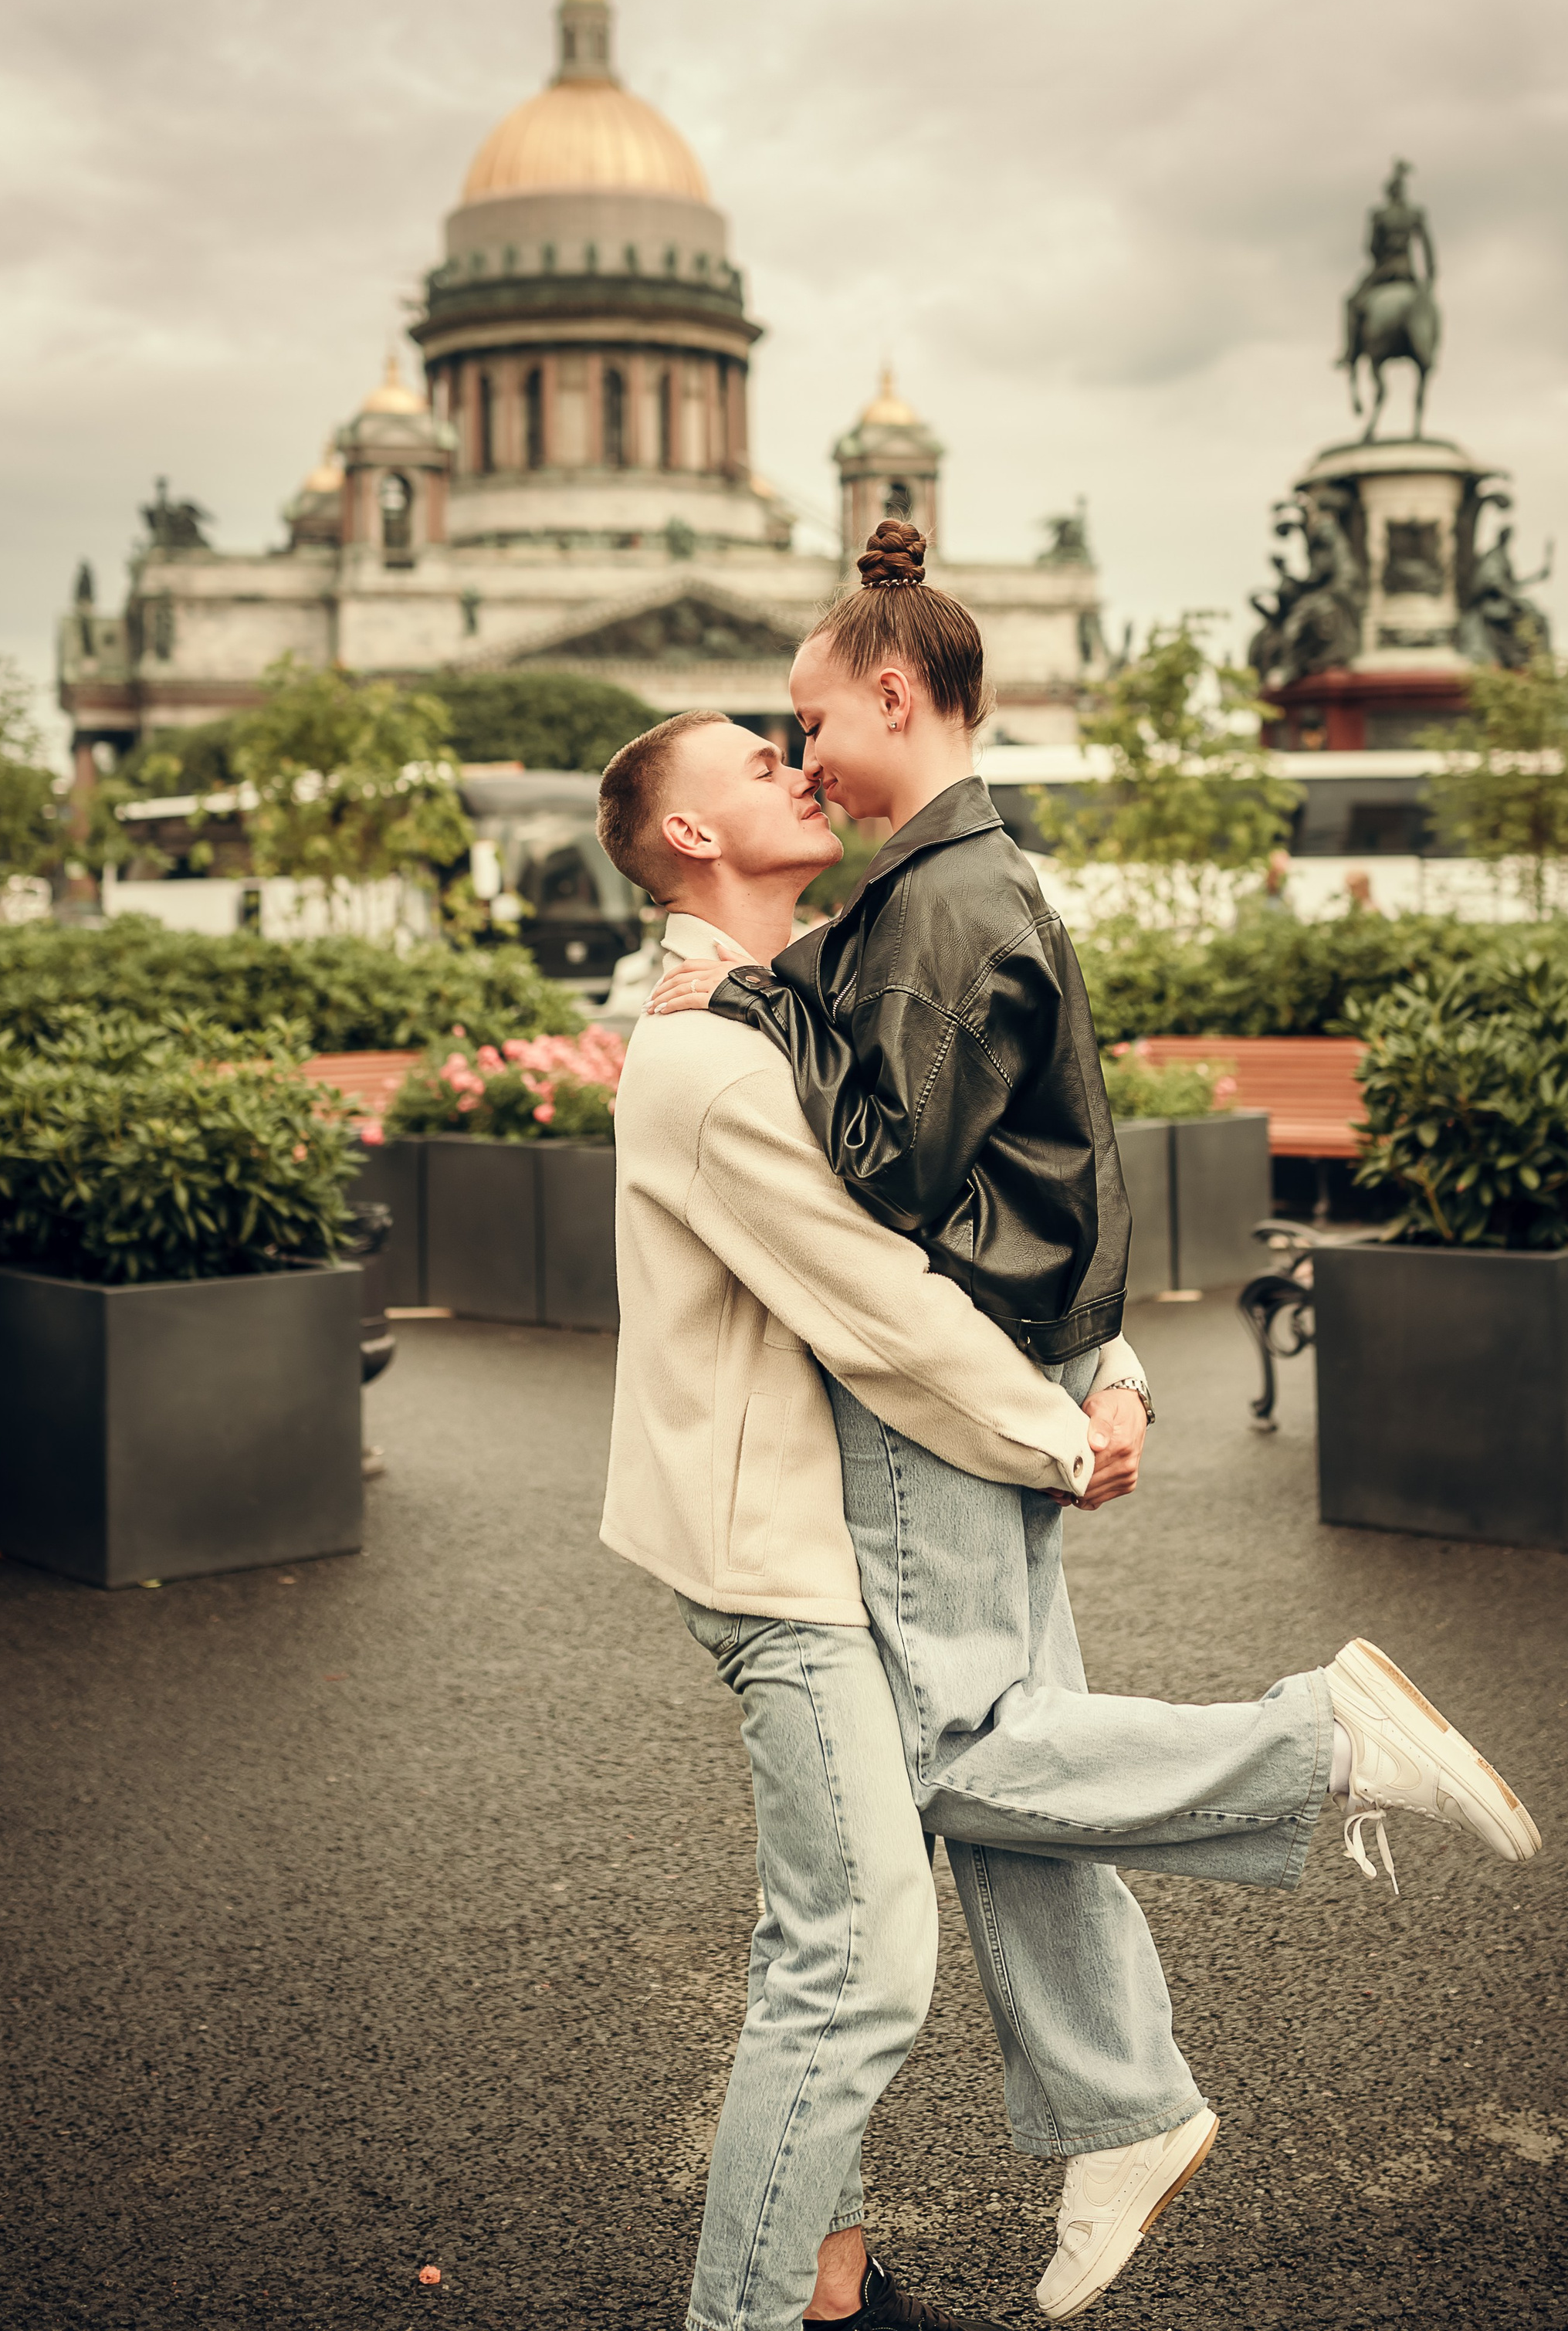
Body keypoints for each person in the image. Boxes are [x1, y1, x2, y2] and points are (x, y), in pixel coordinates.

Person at [641, 526, 1542, 2321]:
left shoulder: (927, 908)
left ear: (893, 694)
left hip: (955, 1390)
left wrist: (749, 996)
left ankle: (1314, 1743)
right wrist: (1105, 1356)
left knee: (942, 1764)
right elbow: (1066, 1144)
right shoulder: (961, 888)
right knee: (993, 1764)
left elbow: (890, 1203)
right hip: (1024, 1358)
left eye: (807, 718)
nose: (802, 750)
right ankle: (1112, 2111)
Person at [597, 709, 1153, 2331]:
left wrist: (1105, 1362)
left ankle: (828, 2281)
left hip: (854, 1526)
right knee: (861, 1960)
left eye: (796, 740)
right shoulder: (703, 1051)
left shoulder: (827, 974)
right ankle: (755, 2311)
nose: (793, 762)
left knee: (827, 1936)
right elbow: (879, 1295)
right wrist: (1057, 1433)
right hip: (780, 1552)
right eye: (753, 762)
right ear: (688, 838)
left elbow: (995, 1181)